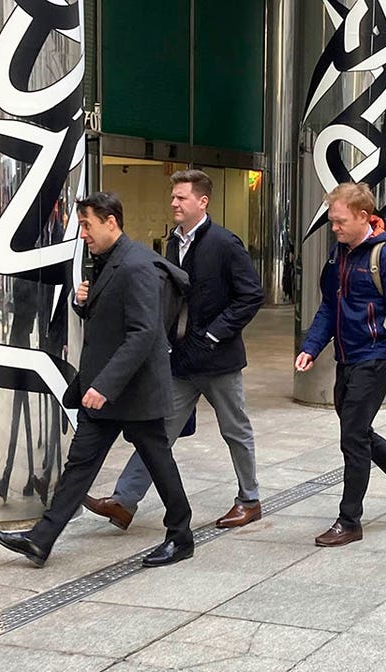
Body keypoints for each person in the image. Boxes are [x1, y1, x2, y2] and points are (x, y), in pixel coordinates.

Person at [0, 191, 195, 568]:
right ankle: (40, 540)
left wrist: (104, 385)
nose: (82, 233)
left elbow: (143, 333)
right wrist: (82, 303)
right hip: (105, 391)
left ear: (110, 222)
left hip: (132, 391)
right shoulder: (108, 260)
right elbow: (110, 320)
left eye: (87, 225)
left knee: (158, 462)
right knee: (80, 464)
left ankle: (181, 536)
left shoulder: (137, 265)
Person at [83, 169, 266, 530]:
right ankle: (124, 501)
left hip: (219, 360)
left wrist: (214, 334)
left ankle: (250, 500)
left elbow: (251, 295)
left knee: (235, 429)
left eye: (181, 197)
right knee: (158, 433)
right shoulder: (172, 243)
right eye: (173, 197)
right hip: (181, 359)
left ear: (202, 201)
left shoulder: (225, 244)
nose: (174, 203)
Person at [295, 182, 386, 547]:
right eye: (332, 221)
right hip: (346, 357)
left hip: (375, 358)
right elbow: (330, 305)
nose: (334, 228)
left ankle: (349, 520)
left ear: (362, 216)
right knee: (358, 433)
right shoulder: (338, 253)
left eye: (340, 221)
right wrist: (311, 346)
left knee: (352, 439)